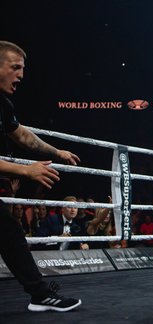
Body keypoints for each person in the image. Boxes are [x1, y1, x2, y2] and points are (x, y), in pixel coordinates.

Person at [0, 40, 81, 311]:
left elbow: (22, 135)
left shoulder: (3, 104)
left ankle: (40, 294)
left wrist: (57, 151)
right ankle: (40, 294)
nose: (21, 75)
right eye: (15, 67)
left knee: (8, 232)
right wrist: (25, 169)